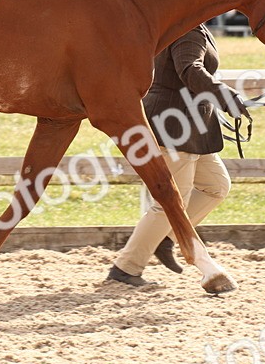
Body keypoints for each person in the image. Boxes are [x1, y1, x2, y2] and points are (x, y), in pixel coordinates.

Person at [107, 24, 251, 285]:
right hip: (175, 124)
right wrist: (224, 94)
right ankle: (126, 268)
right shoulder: (187, 29)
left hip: (193, 127)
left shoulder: (193, 26)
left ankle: (166, 237)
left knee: (216, 186)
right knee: (171, 202)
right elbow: (190, 71)